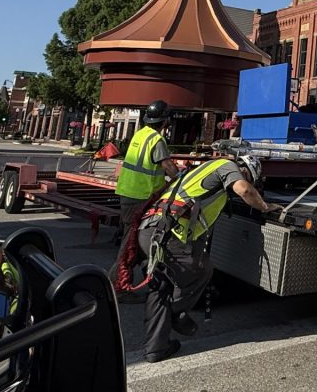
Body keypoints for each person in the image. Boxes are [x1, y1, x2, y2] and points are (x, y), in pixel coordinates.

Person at [137, 154, 280, 363]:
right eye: (249, 177)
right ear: (246, 170)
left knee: (162, 286)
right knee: (201, 269)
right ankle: (175, 314)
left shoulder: (202, 173)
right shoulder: (227, 166)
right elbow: (245, 190)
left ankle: (156, 347)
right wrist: (265, 206)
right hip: (166, 234)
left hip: (150, 230)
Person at [110, 100, 179, 295]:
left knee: (132, 240)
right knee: (130, 243)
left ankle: (119, 282)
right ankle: (118, 287)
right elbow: (167, 166)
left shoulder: (140, 134)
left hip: (128, 193)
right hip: (140, 197)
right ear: (165, 121)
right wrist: (181, 177)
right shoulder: (157, 140)